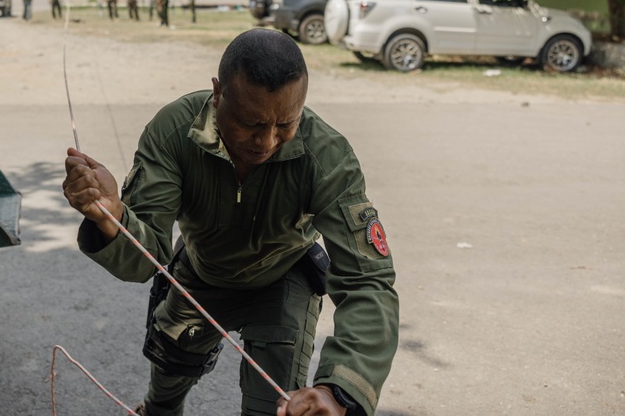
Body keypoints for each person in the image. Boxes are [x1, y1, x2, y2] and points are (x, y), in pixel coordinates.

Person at [62, 29, 398, 416]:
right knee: (167, 381)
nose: (267, 141)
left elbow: (367, 281)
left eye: (285, 124)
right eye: (251, 123)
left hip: (282, 281)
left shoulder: (327, 157)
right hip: (201, 273)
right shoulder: (174, 131)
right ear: (218, 93)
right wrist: (112, 215)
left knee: (276, 410)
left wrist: (338, 391)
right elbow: (145, 259)